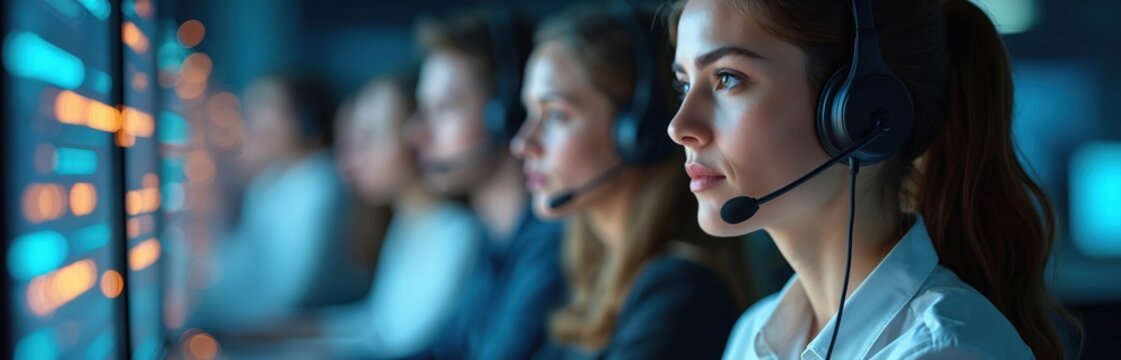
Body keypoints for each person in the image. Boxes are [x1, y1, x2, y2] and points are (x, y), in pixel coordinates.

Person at [667, 0, 1076, 358]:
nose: (679, 125)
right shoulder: (754, 336)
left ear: (860, 112)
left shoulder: (943, 351)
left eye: (727, 78)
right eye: (684, 84)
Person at [511, 4, 744, 358]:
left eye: (556, 115)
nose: (523, 143)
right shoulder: (591, 274)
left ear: (638, 133)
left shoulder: (682, 291)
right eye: (530, 112)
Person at [408, 8, 567, 360]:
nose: (417, 133)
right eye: (423, 108)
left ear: (506, 114)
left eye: (444, 107)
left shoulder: (552, 247)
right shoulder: (494, 241)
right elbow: (441, 352)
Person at [193, 73, 364, 331]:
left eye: (264, 105)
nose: (248, 119)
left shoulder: (321, 184)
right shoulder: (269, 184)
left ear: (308, 123)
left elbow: (282, 297)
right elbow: (230, 272)